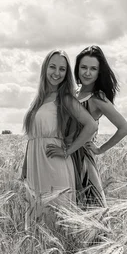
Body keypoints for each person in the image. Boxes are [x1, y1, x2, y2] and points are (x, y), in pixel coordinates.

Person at [21, 49, 97, 222]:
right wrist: (25, 166)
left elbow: (91, 125)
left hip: (54, 164)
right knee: (37, 219)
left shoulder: (65, 98)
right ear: (45, 68)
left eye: (62, 69)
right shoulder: (39, 99)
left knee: (55, 217)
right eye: (52, 67)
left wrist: (67, 151)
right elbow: (32, 137)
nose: (56, 73)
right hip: (35, 166)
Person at [71, 45, 127, 207]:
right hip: (65, 156)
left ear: (99, 72)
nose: (87, 73)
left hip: (83, 161)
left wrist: (100, 149)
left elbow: (124, 128)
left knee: (89, 211)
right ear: (77, 69)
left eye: (93, 69)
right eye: (83, 67)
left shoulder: (97, 98)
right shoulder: (72, 93)